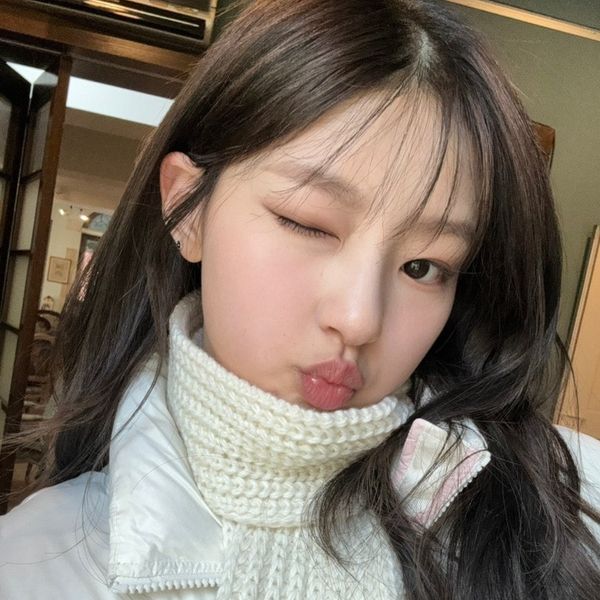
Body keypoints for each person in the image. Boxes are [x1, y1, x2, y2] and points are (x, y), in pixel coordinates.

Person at [1, 0, 599, 598]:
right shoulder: (32, 565)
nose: (358, 320)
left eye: (423, 267)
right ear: (187, 208)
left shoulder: (564, 511)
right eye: (307, 223)